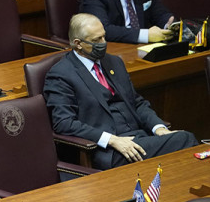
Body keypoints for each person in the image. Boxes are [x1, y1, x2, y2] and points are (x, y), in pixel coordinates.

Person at [43, 13, 197, 170]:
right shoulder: (61, 74)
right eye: (96, 40)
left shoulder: (113, 62)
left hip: (139, 138)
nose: (103, 43)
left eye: (104, 37)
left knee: (178, 145)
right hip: (107, 150)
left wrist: (159, 128)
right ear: (78, 44)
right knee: (185, 140)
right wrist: (111, 140)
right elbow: (63, 123)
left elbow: (136, 102)